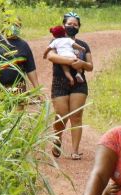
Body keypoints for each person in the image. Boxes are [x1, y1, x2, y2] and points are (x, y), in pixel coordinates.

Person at [46, 12, 93, 160]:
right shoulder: (56, 41)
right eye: (69, 24)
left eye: (75, 24)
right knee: (61, 116)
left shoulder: (83, 45)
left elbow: (90, 66)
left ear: (79, 27)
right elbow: (51, 56)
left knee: (76, 116)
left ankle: (75, 151)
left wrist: (82, 64)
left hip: (79, 83)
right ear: (63, 24)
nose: (72, 26)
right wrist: (71, 62)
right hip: (60, 83)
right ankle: (57, 140)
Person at [0, 18, 40, 94]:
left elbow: (30, 69)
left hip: (18, 89)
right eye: (13, 25)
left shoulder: (23, 45)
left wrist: (37, 90)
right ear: (5, 25)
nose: (15, 28)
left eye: (18, 25)